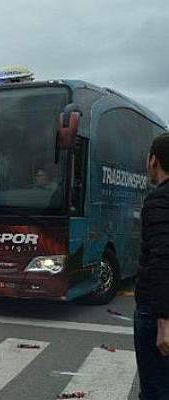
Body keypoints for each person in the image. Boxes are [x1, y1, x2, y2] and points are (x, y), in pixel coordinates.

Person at [136, 131, 169, 399]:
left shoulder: (159, 200)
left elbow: (163, 258)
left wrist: (164, 322)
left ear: (153, 161)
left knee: (155, 390)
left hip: (156, 310)